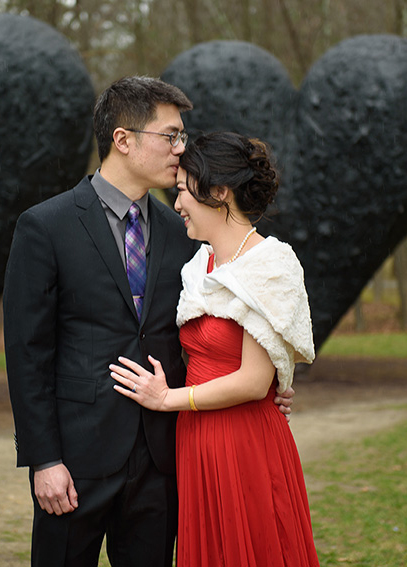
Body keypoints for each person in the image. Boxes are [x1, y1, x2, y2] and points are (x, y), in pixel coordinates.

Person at [3, 78, 294, 567]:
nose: (181, 150)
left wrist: (271, 381)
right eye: (171, 136)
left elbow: (223, 325)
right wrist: (44, 460)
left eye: (182, 137)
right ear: (123, 139)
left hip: (164, 459)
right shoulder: (44, 227)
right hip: (75, 460)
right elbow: (27, 354)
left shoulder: (185, 236)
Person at [110, 131, 320, 567]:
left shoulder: (270, 265)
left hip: (244, 440)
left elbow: (252, 381)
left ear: (219, 192)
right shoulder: (197, 265)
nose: (178, 203)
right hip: (197, 440)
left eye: (184, 191)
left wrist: (168, 399)